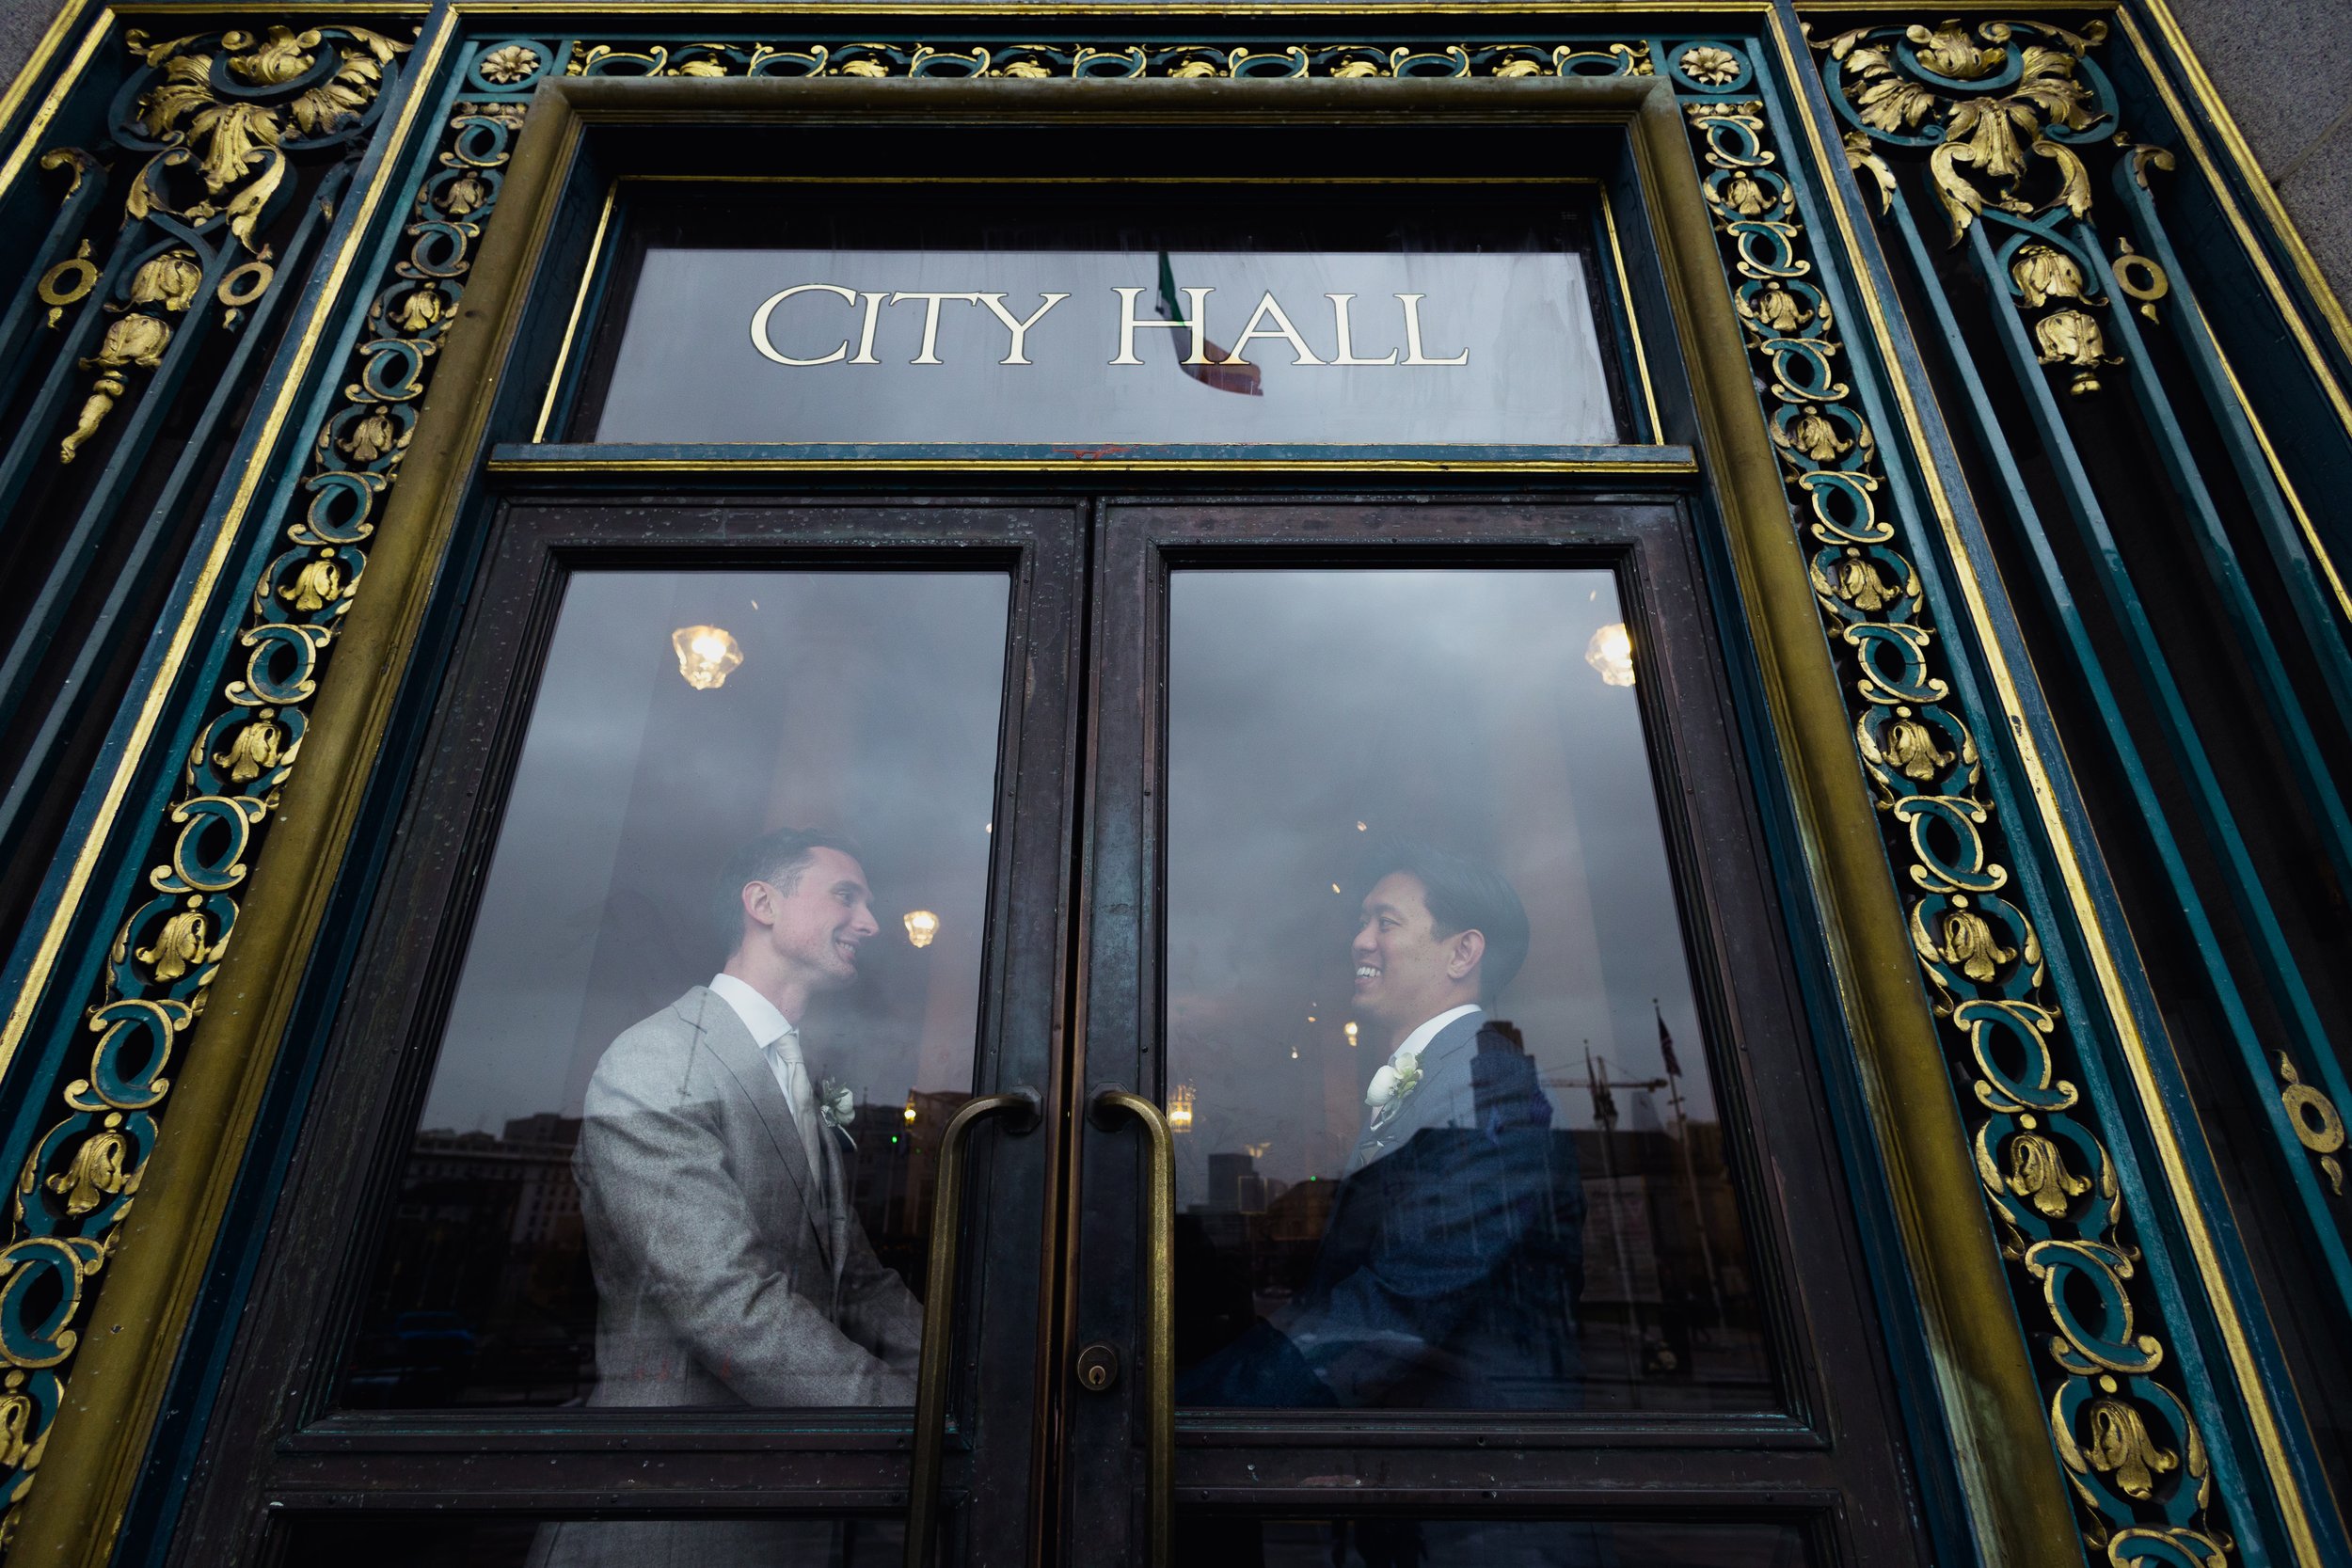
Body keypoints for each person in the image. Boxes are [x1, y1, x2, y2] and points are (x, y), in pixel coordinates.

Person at [530, 829, 920, 1567]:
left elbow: (860, 1280)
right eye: (847, 895)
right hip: (676, 1513)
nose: (871, 921)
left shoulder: (799, 1072)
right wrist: (919, 1414)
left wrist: (972, 1379)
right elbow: (728, 1304)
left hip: (784, 1504)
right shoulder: (657, 1060)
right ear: (762, 903)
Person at [1178, 841, 1584, 1411]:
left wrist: (1202, 1412)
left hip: (1469, 1459)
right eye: (1362, 921)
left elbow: (1391, 1313)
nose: (1360, 940)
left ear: (1463, 953)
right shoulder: (1439, 1080)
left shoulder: (1491, 1092)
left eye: (1385, 922)